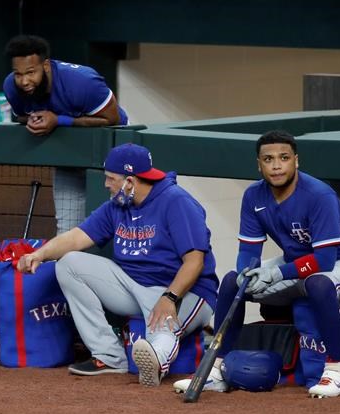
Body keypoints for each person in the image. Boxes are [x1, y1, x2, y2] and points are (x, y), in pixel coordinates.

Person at [175, 130, 340, 397]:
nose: (277, 165)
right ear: (259, 165)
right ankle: (216, 369)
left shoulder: (319, 194)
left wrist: (278, 274)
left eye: (284, 158)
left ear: (296, 160)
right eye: (268, 159)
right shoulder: (254, 196)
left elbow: (325, 261)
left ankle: (337, 371)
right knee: (233, 281)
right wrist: (249, 272)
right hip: (297, 262)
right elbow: (248, 251)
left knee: (318, 283)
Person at [17, 143, 218, 387]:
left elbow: (194, 261)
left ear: (130, 181)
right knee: (69, 263)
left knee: (163, 327)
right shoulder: (117, 205)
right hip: (132, 285)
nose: (106, 184)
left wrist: (171, 297)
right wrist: (41, 253)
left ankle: (155, 363)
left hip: (183, 290)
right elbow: (78, 237)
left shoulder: (177, 202)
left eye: (111, 179)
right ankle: (109, 356)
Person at [3, 34, 129, 234]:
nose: (24, 81)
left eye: (30, 72)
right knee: (67, 230)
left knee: (113, 227)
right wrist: (35, 119)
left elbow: (112, 119)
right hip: (69, 157)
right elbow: (21, 117)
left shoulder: (82, 82)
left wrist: (58, 120)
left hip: (110, 156)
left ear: (45, 66)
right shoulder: (12, 87)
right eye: (18, 74)